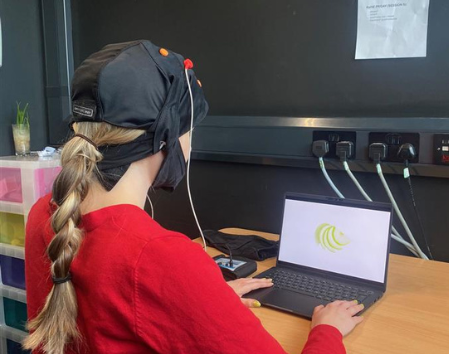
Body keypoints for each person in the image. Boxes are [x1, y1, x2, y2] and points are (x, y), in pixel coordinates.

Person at [24, 40, 363, 354]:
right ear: (165, 140)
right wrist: (327, 330)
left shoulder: (44, 214)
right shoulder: (160, 258)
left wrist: (203, 302)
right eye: (190, 131)